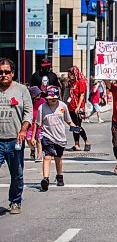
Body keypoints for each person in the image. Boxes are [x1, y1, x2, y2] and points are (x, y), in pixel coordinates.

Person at [0, 58, 33, 214]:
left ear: (12, 73)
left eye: (7, 72)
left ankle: (15, 202)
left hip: (15, 139)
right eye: (0, 72)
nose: (3, 75)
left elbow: (29, 112)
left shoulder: (21, 90)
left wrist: (23, 130)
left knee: (17, 174)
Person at [36, 86, 76, 191]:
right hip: (47, 136)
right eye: (49, 98)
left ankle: (59, 176)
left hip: (60, 137)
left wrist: (75, 127)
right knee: (47, 157)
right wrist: (33, 137)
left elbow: (68, 120)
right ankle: (45, 179)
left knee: (58, 158)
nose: (52, 100)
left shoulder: (63, 106)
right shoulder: (42, 108)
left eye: (54, 98)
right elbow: (38, 124)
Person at [67, 66, 91, 151]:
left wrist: (78, 106)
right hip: (71, 106)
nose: (69, 76)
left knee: (78, 126)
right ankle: (76, 144)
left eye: (70, 74)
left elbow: (82, 95)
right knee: (73, 126)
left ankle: (86, 141)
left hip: (78, 107)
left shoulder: (80, 82)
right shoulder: (71, 83)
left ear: (75, 74)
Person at [27, 86, 45, 162]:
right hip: (30, 123)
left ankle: (39, 156)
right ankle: (32, 149)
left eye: (39, 94)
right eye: (37, 95)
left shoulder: (42, 101)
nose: (39, 96)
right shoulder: (28, 102)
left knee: (38, 139)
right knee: (28, 139)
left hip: (40, 122)